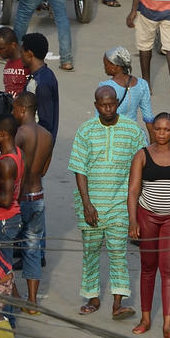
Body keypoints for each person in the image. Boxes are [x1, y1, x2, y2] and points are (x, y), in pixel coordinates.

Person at [70, 82, 144, 318]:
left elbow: (140, 165)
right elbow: (79, 169)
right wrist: (87, 204)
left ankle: (117, 302)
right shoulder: (85, 131)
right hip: (91, 205)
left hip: (120, 204)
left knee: (117, 252)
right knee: (90, 252)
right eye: (104, 105)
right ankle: (92, 297)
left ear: (118, 104)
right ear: (96, 105)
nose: (109, 109)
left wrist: (135, 205)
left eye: (112, 104)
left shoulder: (133, 130)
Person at [128, 111, 170, 336]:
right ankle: (145, 318)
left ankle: (168, 323)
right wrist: (132, 221)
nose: (161, 133)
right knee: (148, 267)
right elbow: (133, 191)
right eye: (157, 129)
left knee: (168, 269)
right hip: (147, 215)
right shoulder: (142, 155)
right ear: (152, 130)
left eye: (166, 129)